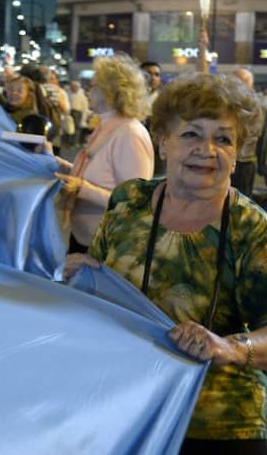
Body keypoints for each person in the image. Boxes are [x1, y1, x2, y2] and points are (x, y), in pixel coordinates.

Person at [66, 73, 267, 452]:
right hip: (122, 408)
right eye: (191, 134)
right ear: (163, 143)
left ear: (238, 152)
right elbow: (102, 277)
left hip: (216, 425)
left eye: (223, 138)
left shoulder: (252, 229)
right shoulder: (129, 201)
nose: (206, 149)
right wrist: (82, 272)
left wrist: (231, 348)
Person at [54, 54, 154, 253]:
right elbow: (98, 172)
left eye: (92, 86)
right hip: (87, 238)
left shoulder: (129, 133)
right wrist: (63, 167)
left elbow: (136, 200)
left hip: (109, 246)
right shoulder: (106, 126)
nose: (87, 91)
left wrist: (82, 188)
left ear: (110, 92)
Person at [231, 68, 261, 198]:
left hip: (246, 163)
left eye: (243, 83)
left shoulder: (260, 108)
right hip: (224, 160)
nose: (239, 88)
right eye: (235, 83)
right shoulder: (223, 106)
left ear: (251, 86)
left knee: (243, 201)